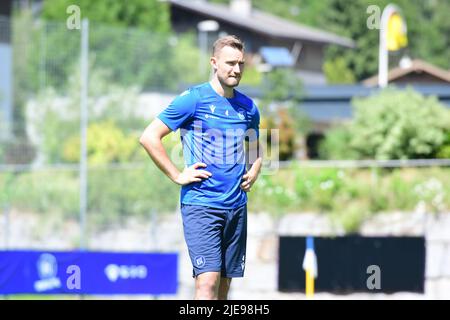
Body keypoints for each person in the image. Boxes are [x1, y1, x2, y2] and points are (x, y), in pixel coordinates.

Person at [139, 35, 262, 300]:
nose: (237, 70)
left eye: (241, 64)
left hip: (237, 208)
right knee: (206, 283)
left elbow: (256, 150)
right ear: (214, 62)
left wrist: (255, 170)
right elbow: (149, 137)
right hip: (202, 206)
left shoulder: (249, 108)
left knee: (225, 288)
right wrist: (177, 174)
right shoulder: (193, 99)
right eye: (230, 63)